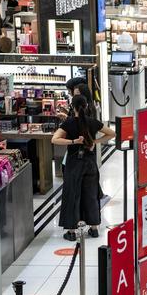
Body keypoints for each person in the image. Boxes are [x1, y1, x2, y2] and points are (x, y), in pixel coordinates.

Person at [51, 95, 115, 241]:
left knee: (72, 195)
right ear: (86, 106)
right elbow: (112, 133)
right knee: (91, 194)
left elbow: (55, 139)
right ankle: (93, 228)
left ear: (72, 107)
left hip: (74, 164)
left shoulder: (69, 123)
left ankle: (72, 231)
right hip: (90, 163)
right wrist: (95, 141)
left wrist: (73, 141)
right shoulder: (92, 122)